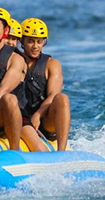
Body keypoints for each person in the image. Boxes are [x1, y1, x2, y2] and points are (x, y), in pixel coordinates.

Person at [0, 7, 48, 153]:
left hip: (13, 115)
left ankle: (14, 151)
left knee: (9, 99)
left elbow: (2, 91)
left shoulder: (16, 59)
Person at [20, 18, 70, 151]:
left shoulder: (52, 64)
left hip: (45, 120)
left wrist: (38, 115)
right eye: (30, 41)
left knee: (62, 98)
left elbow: (54, 94)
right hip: (21, 118)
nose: (35, 46)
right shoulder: (15, 61)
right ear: (21, 41)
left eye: (39, 42)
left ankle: (62, 151)